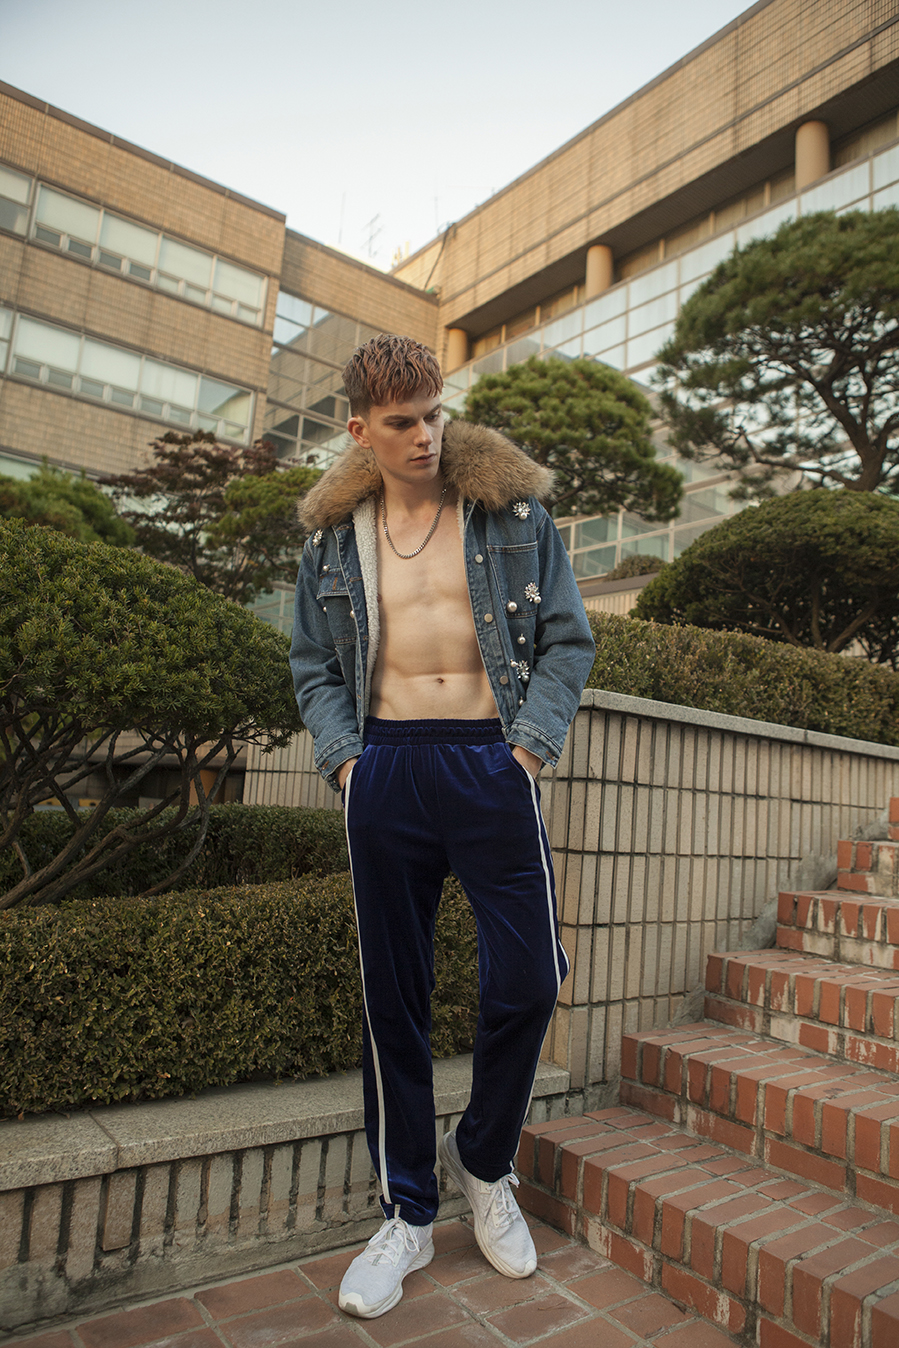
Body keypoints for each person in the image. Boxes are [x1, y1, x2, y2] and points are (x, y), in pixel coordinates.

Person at [290, 333, 595, 1319]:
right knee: (394, 995)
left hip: (489, 763)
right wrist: (347, 762)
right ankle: (407, 1213)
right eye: (401, 422)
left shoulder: (510, 513)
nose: (424, 436)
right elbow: (310, 665)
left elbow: (567, 639)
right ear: (359, 431)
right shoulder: (331, 542)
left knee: (529, 976)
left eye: (433, 414)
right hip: (384, 766)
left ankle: (484, 1159)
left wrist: (526, 752)